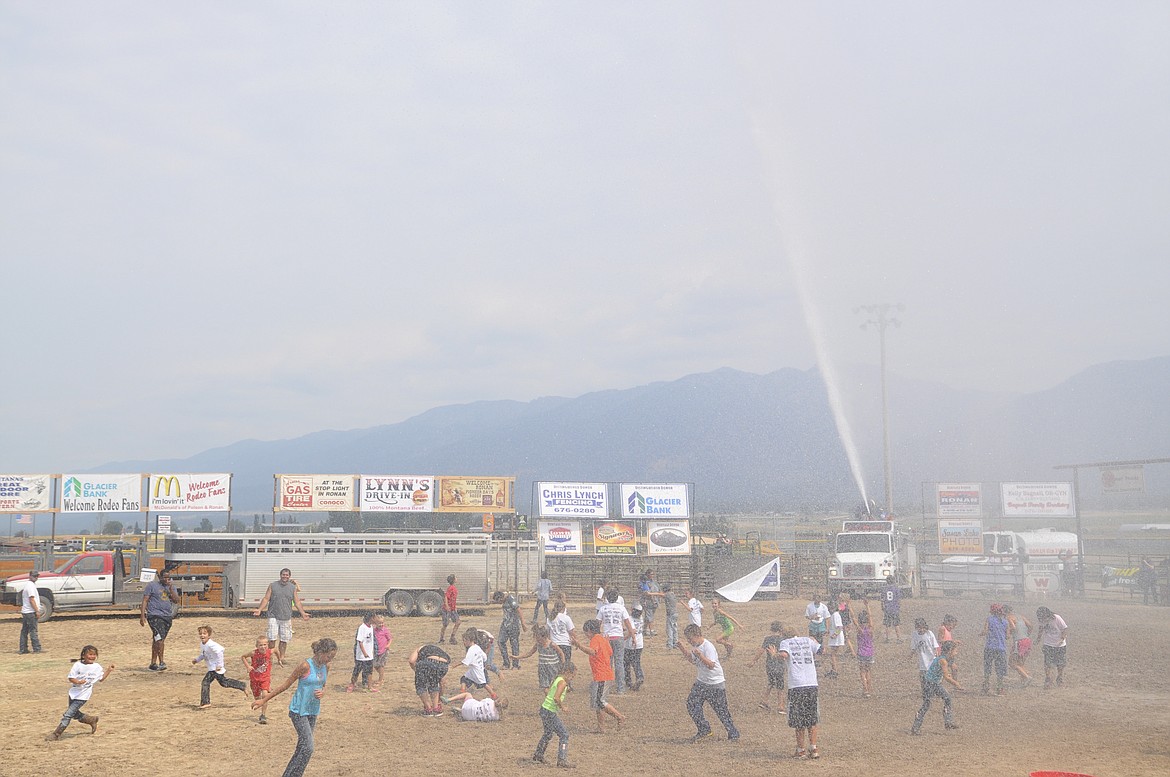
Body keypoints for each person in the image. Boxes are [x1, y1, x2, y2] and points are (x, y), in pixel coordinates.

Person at [254, 637, 338, 777]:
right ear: (321, 652)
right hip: (298, 711)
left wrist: (322, 692)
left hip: (312, 710)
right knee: (308, 747)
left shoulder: (326, 666)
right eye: (329, 656)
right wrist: (263, 701)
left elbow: (323, 684)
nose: (330, 660)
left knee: (302, 748)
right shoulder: (305, 666)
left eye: (332, 657)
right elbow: (285, 685)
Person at [678, 623, 740, 743]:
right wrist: (682, 648)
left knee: (721, 711)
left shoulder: (708, 646)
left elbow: (711, 665)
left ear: (697, 635)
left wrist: (700, 655)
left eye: (690, 639)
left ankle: (733, 733)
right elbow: (692, 660)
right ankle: (704, 730)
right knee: (692, 704)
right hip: (701, 682)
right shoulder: (695, 646)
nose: (689, 641)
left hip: (715, 684)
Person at [774, 623, 824, 759]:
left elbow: (784, 655)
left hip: (796, 685)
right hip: (812, 684)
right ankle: (814, 749)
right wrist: (816, 641)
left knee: (799, 719)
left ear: (784, 634)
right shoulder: (808, 640)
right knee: (812, 717)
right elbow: (821, 651)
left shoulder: (786, 642)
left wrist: (775, 655)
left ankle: (800, 749)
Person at [571, 618, 625, 733]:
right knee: (598, 702)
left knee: (600, 701)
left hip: (602, 675)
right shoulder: (603, 639)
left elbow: (593, 651)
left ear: (590, 630)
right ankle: (601, 727)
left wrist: (579, 645)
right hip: (603, 674)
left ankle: (619, 716)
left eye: (586, 632)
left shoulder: (595, 639)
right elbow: (610, 652)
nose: (586, 635)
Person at [49, 644, 114, 740]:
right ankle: (92, 720)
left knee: (68, 714)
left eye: (94, 655)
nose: (92, 656)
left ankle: (56, 734)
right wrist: (78, 682)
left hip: (83, 696)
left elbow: (101, 679)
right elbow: (71, 678)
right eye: (90, 654)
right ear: (83, 655)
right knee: (74, 714)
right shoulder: (78, 665)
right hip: (73, 693)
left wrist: (108, 670)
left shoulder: (97, 667)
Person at [253, 568, 311, 667]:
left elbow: (297, 602)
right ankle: (269, 658)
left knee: (284, 639)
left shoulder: (292, 588)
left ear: (289, 576)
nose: (285, 576)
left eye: (287, 575)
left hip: (286, 617)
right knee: (272, 638)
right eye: (283, 574)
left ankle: (282, 658)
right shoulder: (273, 585)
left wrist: (303, 613)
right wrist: (259, 609)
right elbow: (266, 598)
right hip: (273, 616)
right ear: (280, 575)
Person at [910, 640, 963, 734]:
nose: (956, 653)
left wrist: (955, 644)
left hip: (932, 683)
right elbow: (946, 677)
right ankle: (916, 727)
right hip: (930, 683)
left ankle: (947, 722)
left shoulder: (944, 658)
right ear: (949, 651)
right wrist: (956, 684)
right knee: (929, 704)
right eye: (955, 651)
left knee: (944, 699)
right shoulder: (943, 661)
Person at [192, 625, 247, 708]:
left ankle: (205, 702)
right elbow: (203, 654)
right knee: (224, 683)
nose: (202, 635)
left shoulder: (211, 644)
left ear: (209, 635)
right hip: (212, 668)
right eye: (200, 634)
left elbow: (220, 652)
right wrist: (197, 660)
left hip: (215, 668)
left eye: (204, 633)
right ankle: (242, 685)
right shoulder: (202, 644)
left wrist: (219, 665)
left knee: (205, 683)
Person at [533, 661, 576, 768]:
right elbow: (556, 698)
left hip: (544, 709)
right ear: (567, 672)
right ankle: (562, 759)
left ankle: (538, 755)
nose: (572, 678)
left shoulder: (557, 679)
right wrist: (563, 707)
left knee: (548, 733)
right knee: (564, 734)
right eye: (572, 676)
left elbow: (549, 692)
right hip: (550, 712)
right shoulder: (563, 682)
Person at [140, 568, 179, 671]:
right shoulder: (152, 586)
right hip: (154, 615)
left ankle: (153, 663)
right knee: (160, 638)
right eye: (164, 577)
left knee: (158, 639)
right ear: (160, 577)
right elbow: (145, 600)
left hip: (167, 616)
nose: (166, 579)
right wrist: (142, 615)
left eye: (168, 577)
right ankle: (161, 662)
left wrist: (170, 589)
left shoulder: (171, 587)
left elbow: (176, 600)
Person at [598, 588, 635, 693]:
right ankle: (620, 688)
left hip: (606, 638)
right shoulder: (621, 608)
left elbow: (597, 624)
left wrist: (598, 637)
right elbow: (627, 623)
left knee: (608, 663)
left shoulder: (603, 609)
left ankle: (606, 687)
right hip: (618, 636)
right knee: (619, 663)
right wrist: (633, 636)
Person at [749, 620, 787, 712]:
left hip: (769, 665)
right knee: (780, 685)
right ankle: (780, 705)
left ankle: (764, 701)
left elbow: (761, 651)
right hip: (780, 665)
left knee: (771, 683)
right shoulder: (783, 640)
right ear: (781, 629)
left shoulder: (768, 639)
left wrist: (753, 661)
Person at [517, 624, 566, 690]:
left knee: (554, 685)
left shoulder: (552, 644)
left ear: (544, 637)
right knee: (545, 686)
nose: (538, 641)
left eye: (539, 639)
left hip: (553, 667)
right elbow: (529, 653)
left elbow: (561, 653)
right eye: (536, 639)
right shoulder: (538, 645)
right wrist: (517, 657)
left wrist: (563, 664)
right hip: (542, 668)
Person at [408, 643, 451, 717]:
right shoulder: (440, 652)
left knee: (421, 685)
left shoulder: (420, 648)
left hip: (427, 662)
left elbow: (411, 661)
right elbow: (442, 682)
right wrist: (440, 699)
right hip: (444, 665)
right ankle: (436, 708)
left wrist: (417, 671)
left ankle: (428, 709)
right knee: (433, 684)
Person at [460, 627, 499, 699]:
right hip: (474, 669)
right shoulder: (475, 646)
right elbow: (483, 656)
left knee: (483, 683)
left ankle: (493, 694)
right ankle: (462, 693)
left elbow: (467, 660)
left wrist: (456, 665)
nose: (464, 642)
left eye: (465, 640)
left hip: (477, 669)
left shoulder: (482, 638)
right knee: (464, 679)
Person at [242, 635, 274, 723]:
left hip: (265, 678)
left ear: (267, 645)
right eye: (260, 645)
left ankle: (263, 715)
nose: (263, 647)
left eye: (265, 645)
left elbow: (277, 651)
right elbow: (243, 656)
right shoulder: (253, 653)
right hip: (254, 678)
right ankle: (260, 703)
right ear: (256, 646)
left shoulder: (270, 651)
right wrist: (248, 666)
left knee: (265, 696)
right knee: (257, 698)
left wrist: (279, 660)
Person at [1036, 606, 1069, 688]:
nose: (1043, 619)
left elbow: (1064, 629)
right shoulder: (1042, 620)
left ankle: (1060, 678)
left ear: (1047, 614)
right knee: (1047, 663)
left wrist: (1062, 638)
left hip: (1060, 645)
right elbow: (1040, 629)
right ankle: (1048, 679)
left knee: (1060, 663)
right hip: (1048, 644)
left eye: (1043, 617)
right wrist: (1038, 639)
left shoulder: (1057, 618)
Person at [980, 603, 1009, 695]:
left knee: (987, 667)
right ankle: (1000, 688)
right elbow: (1008, 636)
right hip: (1001, 648)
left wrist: (981, 634)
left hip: (989, 647)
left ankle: (986, 686)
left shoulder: (989, 619)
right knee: (1000, 669)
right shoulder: (1005, 622)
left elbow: (985, 631)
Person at [347, 612, 376, 693]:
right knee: (357, 670)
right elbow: (360, 642)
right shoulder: (362, 627)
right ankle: (352, 684)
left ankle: (369, 687)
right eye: (374, 617)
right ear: (371, 618)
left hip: (369, 655)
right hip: (361, 656)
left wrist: (371, 652)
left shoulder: (371, 627)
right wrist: (364, 653)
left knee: (369, 671)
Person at [1004, 605, 1032, 687]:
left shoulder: (1009, 617)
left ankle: (1027, 677)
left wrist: (1008, 633)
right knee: (1020, 662)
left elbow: (1013, 627)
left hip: (1019, 641)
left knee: (1012, 663)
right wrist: (1026, 635)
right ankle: (1024, 680)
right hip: (1027, 640)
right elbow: (1030, 625)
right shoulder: (1021, 616)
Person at [498, 590, 527, 670]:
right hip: (505, 624)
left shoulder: (511, 599)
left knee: (514, 644)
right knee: (500, 641)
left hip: (513, 625)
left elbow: (519, 610)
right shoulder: (504, 602)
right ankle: (506, 663)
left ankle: (515, 664)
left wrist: (523, 623)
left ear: (501, 598)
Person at [19, 569, 44, 654]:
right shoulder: (30, 586)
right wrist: (37, 611)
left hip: (26, 611)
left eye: (37, 576)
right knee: (33, 630)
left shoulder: (29, 585)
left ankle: (23, 649)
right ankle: (37, 648)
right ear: (30, 576)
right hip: (30, 612)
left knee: (24, 631)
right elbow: (31, 599)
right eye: (34, 576)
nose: (36, 577)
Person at [855, 598, 876, 697]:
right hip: (870, 653)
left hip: (861, 653)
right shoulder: (870, 629)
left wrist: (849, 606)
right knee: (868, 671)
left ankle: (865, 690)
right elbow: (871, 617)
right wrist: (867, 605)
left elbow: (854, 620)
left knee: (862, 672)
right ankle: (869, 688)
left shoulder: (860, 630)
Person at [547, 599, 577, 663]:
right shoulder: (566, 618)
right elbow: (572, 632)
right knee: (566, 664)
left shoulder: (549, 618)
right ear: (563, 608)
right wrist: (576, 642)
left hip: (554, 644)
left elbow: (548, 633)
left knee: (555, 665)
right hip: (565, 644)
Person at [624, 606, 646, 691]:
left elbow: (632, 630)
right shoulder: (641, 618)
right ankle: (639, 676)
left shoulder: (629, 618)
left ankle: (628, 681)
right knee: (636, 662)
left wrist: (624, 638)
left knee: (626, 663)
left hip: (630, 645)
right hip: (640, 643)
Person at [372, 614, 393, 689]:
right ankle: (382, 676)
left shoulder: (385, 630)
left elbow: (390, 639)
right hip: (376, 650)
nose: (381, 624)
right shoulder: (374, 630)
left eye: (382, 623)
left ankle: (380, 680)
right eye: (379, 623)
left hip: (384, 650)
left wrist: (388, 645)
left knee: (381, 665)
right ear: (375, 623)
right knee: (375, 665)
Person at [439, 574, 461, 645]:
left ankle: (452, 637)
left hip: (452, 609)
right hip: (447, 609)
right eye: (455, 578)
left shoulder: (453, 588)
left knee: (458, 622)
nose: (457, 579)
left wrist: (455, 607)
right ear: (453, 580)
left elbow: (453, 599)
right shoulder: (451, 588)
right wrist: (447, 605)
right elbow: (446, 596)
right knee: (445, 624)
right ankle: (441, 638)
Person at [639, 569, 661, 636]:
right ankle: (651, 630)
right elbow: (645, 592)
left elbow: (658, 590)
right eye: (651, 574)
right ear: (647, 574)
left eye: (653, 574)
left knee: (648, 616)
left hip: (655, 601)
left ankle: (644, 630)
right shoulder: (644, 583)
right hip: (647, 601)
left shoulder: (654, 583)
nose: (652, 575)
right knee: (649, 616)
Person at [881, 576, 902, 642]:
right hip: (894, 608)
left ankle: (887, 638)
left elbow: (882, 600)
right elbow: (898, 599)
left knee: (887, 625)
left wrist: (882, 607)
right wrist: (898, 606)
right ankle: (898, 638)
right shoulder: (896, 588)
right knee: (896, 624)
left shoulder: (884, 589)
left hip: (887, 608)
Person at [662, 583, 679, 649]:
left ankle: (670, 645)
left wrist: (650, 594)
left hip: (671, 614)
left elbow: (660, 594)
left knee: (669, 629)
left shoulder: (668, 594)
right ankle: (675, 644)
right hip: (675, 613)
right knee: (674, 629)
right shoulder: (672, 594)